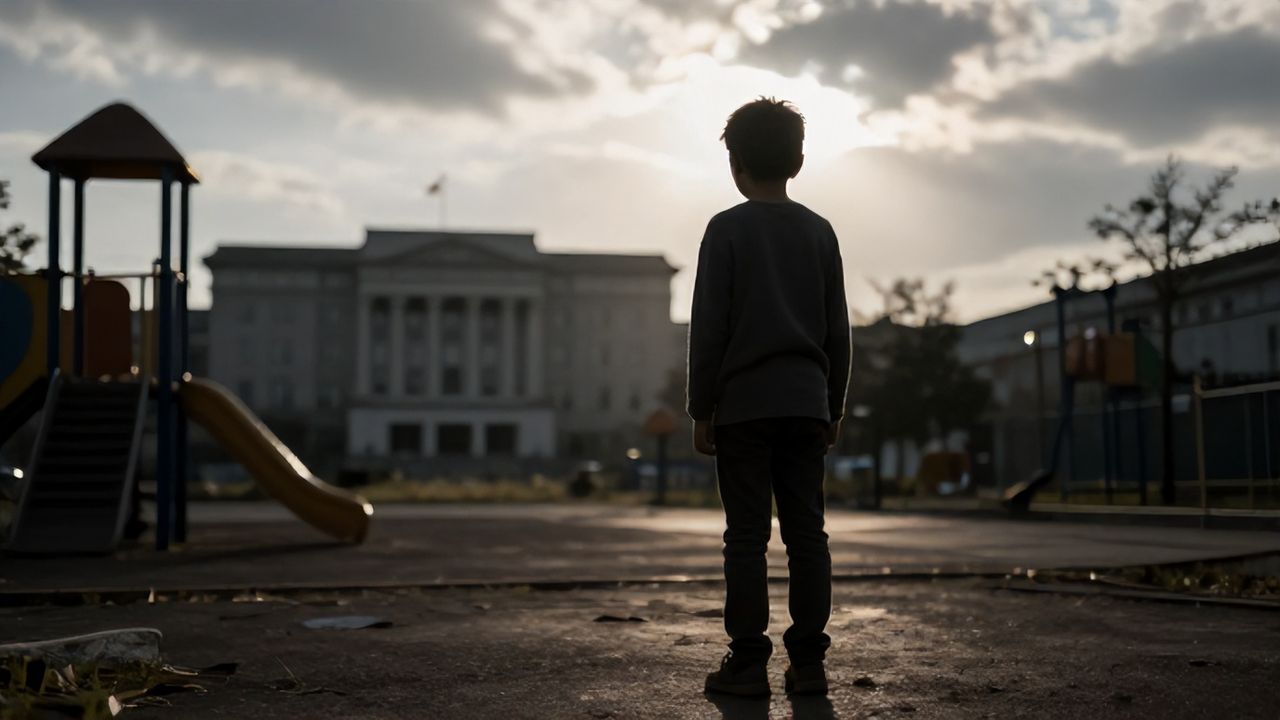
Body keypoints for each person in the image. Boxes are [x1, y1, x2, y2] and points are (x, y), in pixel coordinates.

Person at [686, 97, 851, 697]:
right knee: (808, 533)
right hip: (807, 402)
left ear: (735, 164)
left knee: (747, 536)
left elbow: (710, 328)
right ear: (799, 160)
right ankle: (808, 663)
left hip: (745, 406)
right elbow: (838, 330)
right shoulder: (819, 231)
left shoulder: (725, 229)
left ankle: (748, 663)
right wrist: (833, 405)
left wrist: (701, 409)